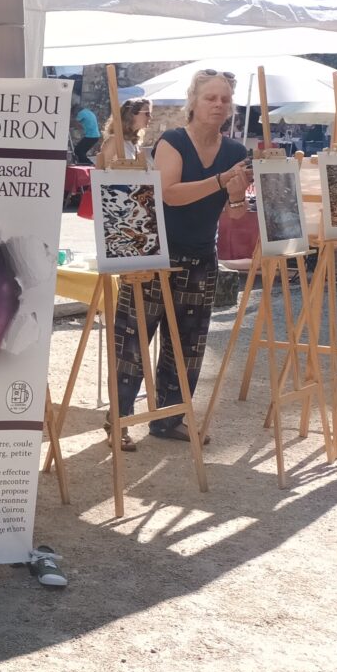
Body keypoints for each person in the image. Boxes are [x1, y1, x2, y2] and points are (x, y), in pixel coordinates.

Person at [112, 68, 249, 449]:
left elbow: (234, 213)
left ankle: (170, 420)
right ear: (193, 101)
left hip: (202, 256)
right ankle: (119, 420)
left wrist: (236, 196)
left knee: (188, 345)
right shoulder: (172, 141)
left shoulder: (236, 151)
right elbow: (169, 194)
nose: (218, 105)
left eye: (224, 99)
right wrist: (221, 181)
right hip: (154, 256)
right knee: (134, 340)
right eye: (211, 98)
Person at [97, 98, 153, 167]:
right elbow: (101, 170)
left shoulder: (133, 143)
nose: (150, 117)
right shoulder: (114, 141)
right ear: (132, 114)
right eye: (147, 114)